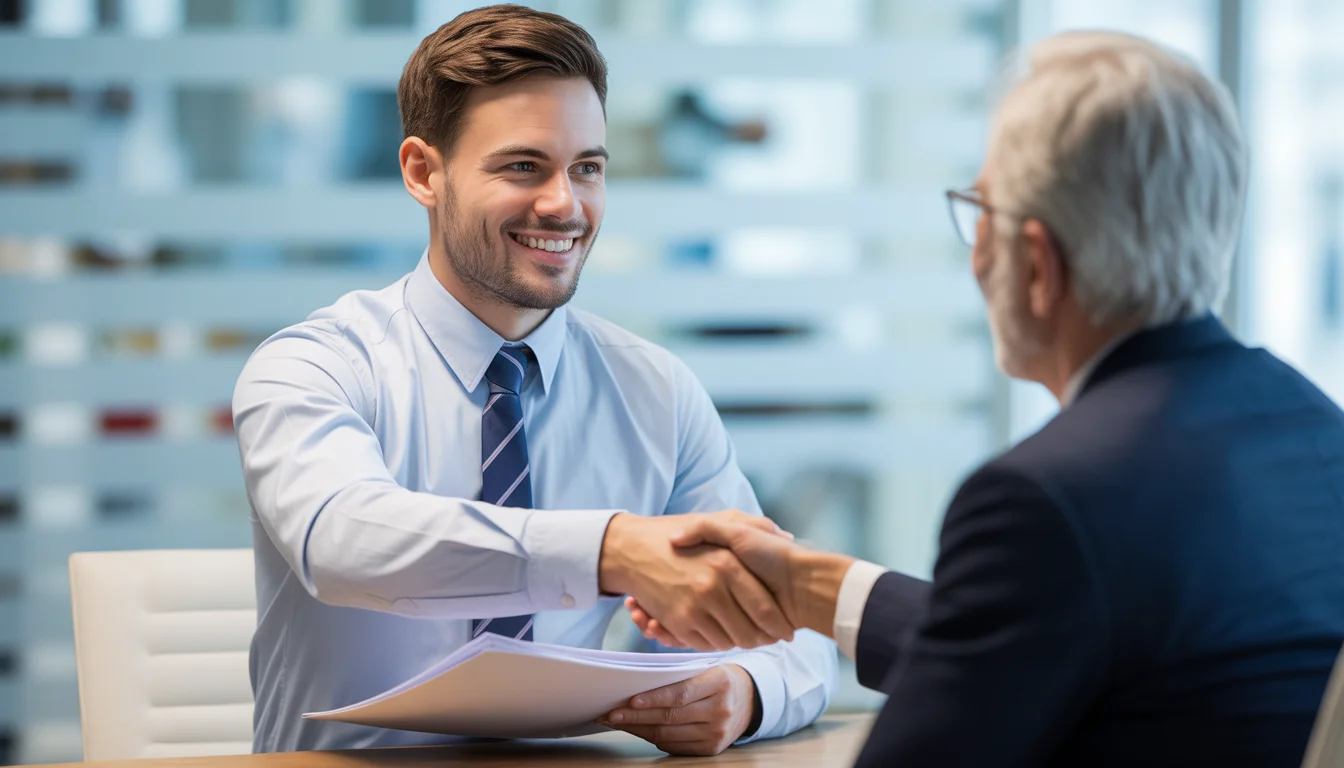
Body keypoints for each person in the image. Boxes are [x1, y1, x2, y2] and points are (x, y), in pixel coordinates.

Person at [623, 31, 1344, 766]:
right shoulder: (1321, 437)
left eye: (981, 212)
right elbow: (1051, 640)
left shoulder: (1049, 499)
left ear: (1036, 263)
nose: (973, 255)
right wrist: (820, 588)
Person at [232, 4, 835, 756]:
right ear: (424, 171)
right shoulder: (314, 366)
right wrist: (609, 551)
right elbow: (342, 537)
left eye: (587, 168)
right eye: (523, 166)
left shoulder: (654, 392)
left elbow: (790, 633)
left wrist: (745, 693)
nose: (564, 204)